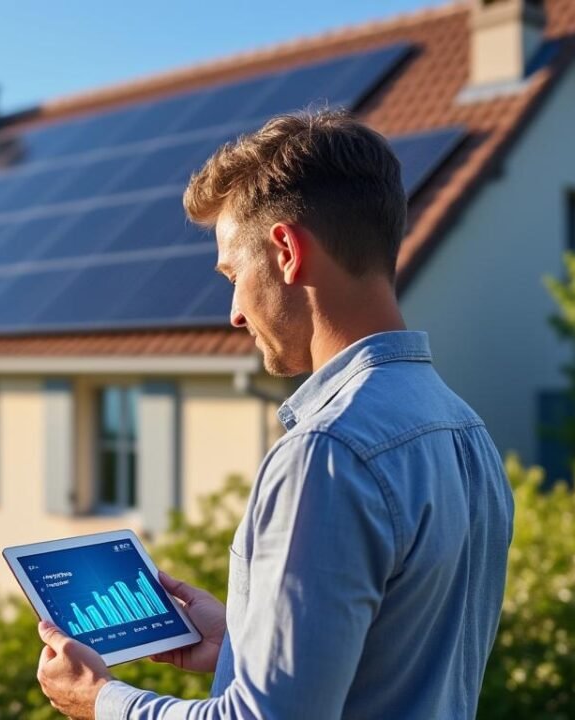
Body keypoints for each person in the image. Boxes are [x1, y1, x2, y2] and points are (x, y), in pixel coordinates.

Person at [35, 109, 515, 720]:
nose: (234, 312)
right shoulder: (465, 431)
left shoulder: (327, 452)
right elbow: (392, 663)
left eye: (234, 274)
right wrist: (240, 644)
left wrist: (103, 701)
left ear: (285, 251)